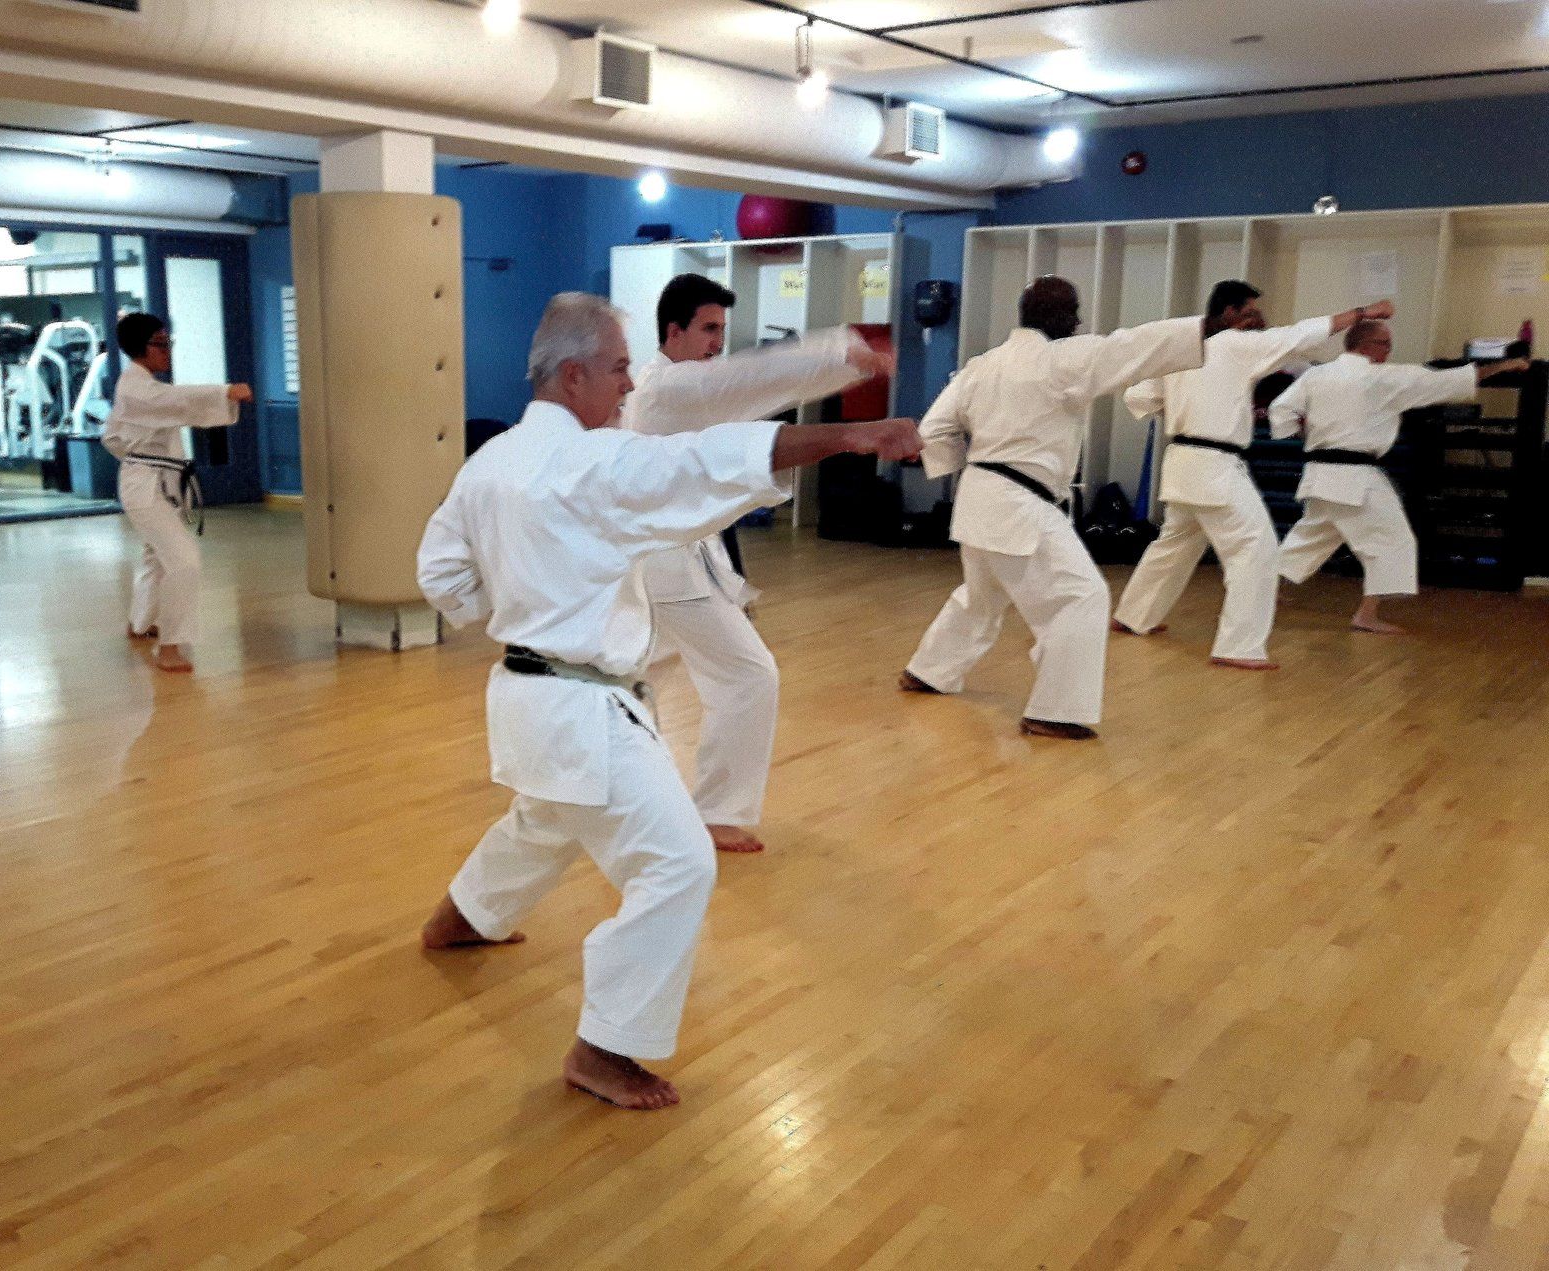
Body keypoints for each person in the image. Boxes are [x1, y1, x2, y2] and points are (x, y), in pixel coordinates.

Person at [417, 293, 921, 1110]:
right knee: (677, 863)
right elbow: (705, 460)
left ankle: (461, 918)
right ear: (572, 375)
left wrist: (514, 599)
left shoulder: (490, 461)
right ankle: (604, 1046)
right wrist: (851, 435)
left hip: (523, 697)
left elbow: (440, 574)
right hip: (580, 708)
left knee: (547, 818)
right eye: (617, 368)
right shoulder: (595, 463)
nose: (628, 384)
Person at [624, 273, 890, 854]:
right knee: (746, 675)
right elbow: (752, 378)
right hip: (665, 564)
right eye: (708, 329)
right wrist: (837, 355)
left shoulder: (674, 389)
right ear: (673, 331)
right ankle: (713, 813)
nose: (717, 342)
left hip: (667, 560)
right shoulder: (669, 389)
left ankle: (628, 801)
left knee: (636, 680)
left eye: (722, 329)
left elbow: (745, 391)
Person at [898, 276, 1206, 739]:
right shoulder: (1062, 359)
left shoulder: (982, 365)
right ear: (1060, 316)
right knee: (1081, 596)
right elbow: (1131, 347)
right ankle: (1055, 711)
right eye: (1074, 312)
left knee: (982, 596)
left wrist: (964, 460)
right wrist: (1205, 327)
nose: (1079, 322)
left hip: (978, 496)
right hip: (1019, 503)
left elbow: (935, 429)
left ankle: (928, 670)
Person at [1110, 283, 1394, 669]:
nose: (1256, 317)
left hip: (1181, 461)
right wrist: (1363, 313)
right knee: (1255, 550)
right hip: (1215, 465)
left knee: (1176, 542)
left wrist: (1188, 408)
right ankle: (1238, 646)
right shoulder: (1236, 344)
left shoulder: (1183, 347)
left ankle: (1134, 616)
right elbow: (1303, 333)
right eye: (1250, 310)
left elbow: (1138, 398)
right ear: (1229, 312)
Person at [1271, 323, 1528, 633]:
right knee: (1393, 540)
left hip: (1319, 475)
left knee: (1312, 537)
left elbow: (1280, 409)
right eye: (1385, 344)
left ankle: (1263, 590)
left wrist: (1301, 433)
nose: (1388, 351)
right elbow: (1449, 380)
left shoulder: (1317, 375)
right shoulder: (1384, 378)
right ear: (1366, 345)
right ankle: (1366, 615)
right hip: (1356, 479)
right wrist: (1506, 366)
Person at [100, 313, 251, 674]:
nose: (167, 351)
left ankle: (140, 623)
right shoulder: (138, 388)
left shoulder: (141, 387)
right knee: (184, 560)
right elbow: (177, 400)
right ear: (141, 348)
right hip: (145, 486)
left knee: (156, 555)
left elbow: (115, 435)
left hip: (157, 480)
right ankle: (170, 647)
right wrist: (224, 392)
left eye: (168, 343)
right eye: (161, 344)